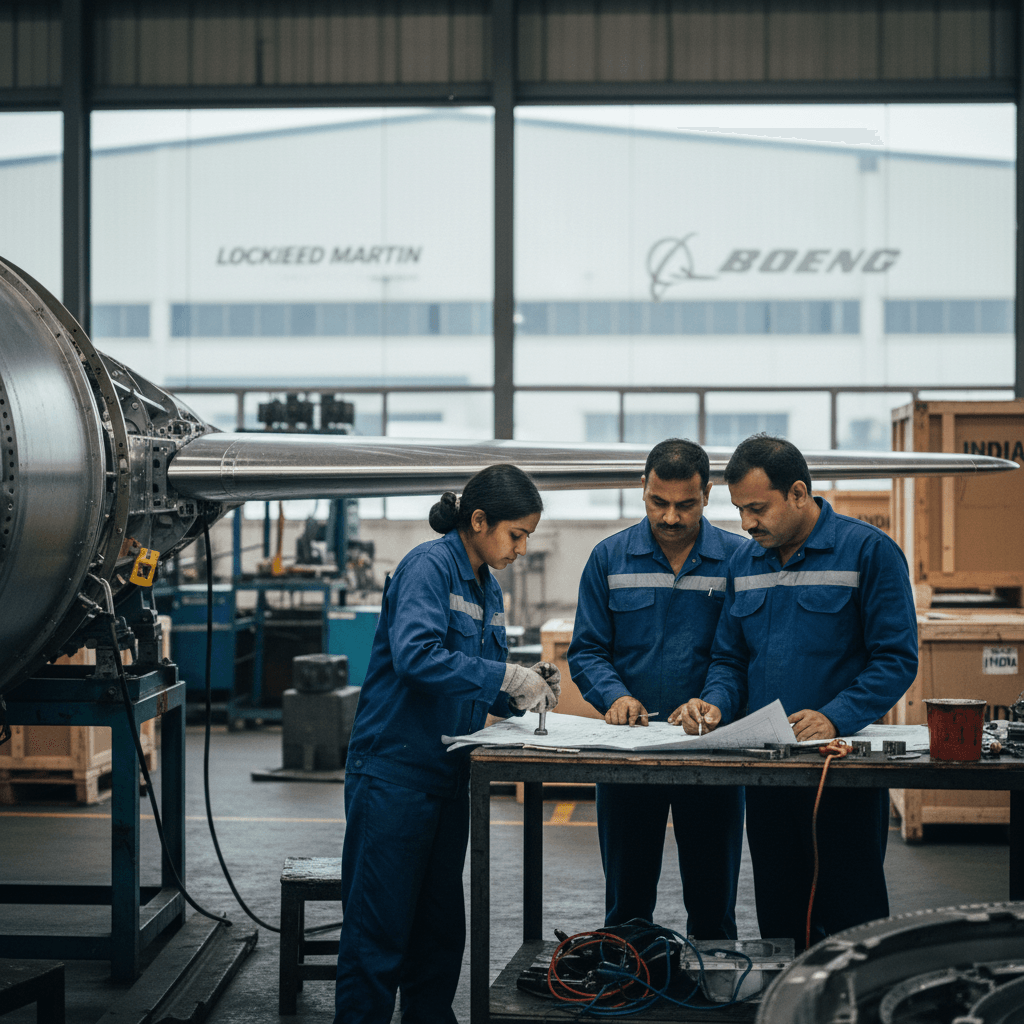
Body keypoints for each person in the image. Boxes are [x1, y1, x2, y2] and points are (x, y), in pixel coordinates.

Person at [334, 464, 560, 1024]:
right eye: (517, 534)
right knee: (379, 932)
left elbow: (474, 674)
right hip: (394, 772)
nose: (523, 548)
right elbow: (417, 657)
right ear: (478, 521)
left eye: (528, 535)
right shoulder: (428, 568)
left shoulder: (487, 585)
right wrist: (503, 678)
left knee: (438, 931)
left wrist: (522, 689)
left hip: (447, 775)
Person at [676, 434, 918, 951]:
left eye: (758, 508)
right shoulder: (746, 563)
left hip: (841, 771)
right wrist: (716, 700)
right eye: (740, 509)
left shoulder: (868, 552)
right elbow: (730, 658)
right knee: (782, 922)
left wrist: (836, 716)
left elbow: (896, 658)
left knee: (853, 919)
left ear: (799, 494)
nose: (746, 523)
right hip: (769, 773)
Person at [566, 438, 745, 938]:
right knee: (626, 907)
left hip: (710, 753)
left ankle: (710, 997)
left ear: (708, 495)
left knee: (713, 904)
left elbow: (739, 655)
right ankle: (627, 988)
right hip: (628, 755)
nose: (670, 517)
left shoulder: (739, 560)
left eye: (685, 504)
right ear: (641, 490)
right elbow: (587, 650)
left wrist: (714, 705)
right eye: (658, 502)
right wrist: (615, 696)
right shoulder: (609, 559)